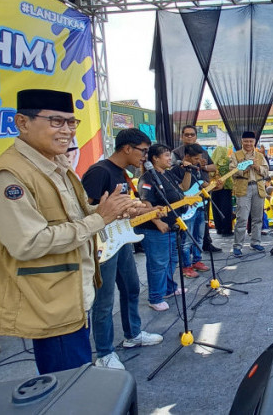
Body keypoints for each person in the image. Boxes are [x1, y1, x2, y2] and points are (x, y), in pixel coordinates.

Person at [0, 89, 138, 374]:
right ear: (22, 123)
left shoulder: (56, 163)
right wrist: (99, 219)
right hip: (50, 303)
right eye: (56, 122)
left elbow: (71, 216)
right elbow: (28, 242)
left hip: (71, 293)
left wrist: (114, 210)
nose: (67, 131)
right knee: (69, 387)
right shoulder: (11, 175)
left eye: (71, 122)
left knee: (76, 381)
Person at [81, 128, 163, 370]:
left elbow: (123, 209)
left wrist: (146, 210)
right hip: (103, 244)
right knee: (104, 300)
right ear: (127, 148)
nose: (145, 158)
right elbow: (86, 211)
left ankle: (133, 334)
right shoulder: (99, 172)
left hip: (122, 239)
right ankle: (104, 353)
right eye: (143, 151)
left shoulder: (123, 174)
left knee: (131, 287)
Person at [136, 144, 191, 312]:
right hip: (155, 229)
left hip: (173, 226)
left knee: (172, 259)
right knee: (158, 263)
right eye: (166, 155)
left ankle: (168, 289)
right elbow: (147, 203)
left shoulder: (167, 174)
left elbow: (183, 189)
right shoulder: (147, 178)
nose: (170, 158)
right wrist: (157, 222)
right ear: (155, 158)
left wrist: (188, 171)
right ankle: (155, 297)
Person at [174, 125, 222, 252]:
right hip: (186, 193)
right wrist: (192, 166)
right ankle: (186, 252)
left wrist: (202, 167)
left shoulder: (203, 151)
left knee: (203, 220)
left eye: (192, 134)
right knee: (188, 225)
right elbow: (174, 169)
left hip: (203, 188)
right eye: (186, 134)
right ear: (182, 136)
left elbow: (214, 167)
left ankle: (204, 244)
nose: (189, 137)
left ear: (196, 136)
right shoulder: (176, 153)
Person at [169, 144, 211, 277]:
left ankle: (197, 261)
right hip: (187, 208)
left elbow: (199, 184)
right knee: (187, 240)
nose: (199, 161)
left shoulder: (196, 168)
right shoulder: (177, 169)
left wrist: (214, 186)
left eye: (200, 158)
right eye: (196, 158)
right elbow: (182, 189)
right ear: (186, 156)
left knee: (199, 237)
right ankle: (186, 266)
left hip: (198, 206)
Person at [230, 131, 269, 256]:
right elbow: (232, 171)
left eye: (251, 141)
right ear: (242, 141)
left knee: (257, 218)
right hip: (243, 188)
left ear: (254, 142)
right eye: (246, 141)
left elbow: (266, 171)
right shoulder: (236, 155)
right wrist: (244, 169)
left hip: (258, 187)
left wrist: (258, 168)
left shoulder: (259, 156)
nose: (248, 143)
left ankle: (256, 242)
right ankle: (237, 246)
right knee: (241, 218)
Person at [211, 145, 234, 236]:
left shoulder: (212, 161)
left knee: (216, 209)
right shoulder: (227, 161)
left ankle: (219, 228)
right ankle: (226, 230)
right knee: (226, 209)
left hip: (213, 187)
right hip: (225, 188)